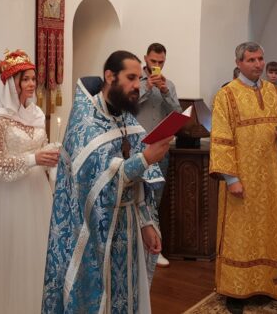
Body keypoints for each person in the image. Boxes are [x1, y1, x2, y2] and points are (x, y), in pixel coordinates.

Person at [42, 50, 172, 313]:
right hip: (92, 233)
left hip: (128, 227)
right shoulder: (85, 123)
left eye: (138, 78)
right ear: (110, 76)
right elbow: (98, 182)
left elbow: (140, 179)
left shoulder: (125, 117)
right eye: (130, 78)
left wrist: (146, 222)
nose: (137, 86)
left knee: (127, 296)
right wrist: (146, 158)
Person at [0, 50, 59, 313]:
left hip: (38, 193)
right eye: (25, 79)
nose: (31, 84)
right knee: (10, 256)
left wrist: (51, 155)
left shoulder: (37, 114)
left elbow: (41, 151)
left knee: (37, 253)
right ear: (11, 83)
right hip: (9, 196)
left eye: (33, 79)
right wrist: (34, 158)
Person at [210, 42, 277, 314]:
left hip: (270, 176)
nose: (258, 64)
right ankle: (236, 290)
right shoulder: (226, 95)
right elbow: (221, 139)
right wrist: (231, 179)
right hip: (242, 177)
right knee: (240, 232)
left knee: (269, 229)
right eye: (251, 60)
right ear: (239, 63)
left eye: (260, 59)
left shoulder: (275, 92)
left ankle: (268, 283)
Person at [136, 42, 181, 269]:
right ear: (146, 59)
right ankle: (137, 246)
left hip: (160, 149)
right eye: (153, 61)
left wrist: (164, 92)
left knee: (156, 197)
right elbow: (128, 107)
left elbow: (177, 113)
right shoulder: (136, 81)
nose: (157, 66)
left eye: (161, 62)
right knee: (136, 197)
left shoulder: (169, 85)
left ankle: (155, 248)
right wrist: (147, 88)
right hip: (137, 149)